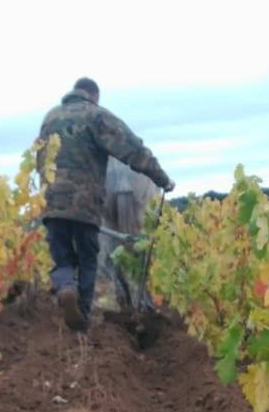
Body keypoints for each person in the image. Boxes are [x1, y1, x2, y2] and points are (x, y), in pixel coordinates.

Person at [35, 77, 173, 332]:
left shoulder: (49, 118)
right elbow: (132, 149)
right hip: (85, 205)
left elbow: (39, 159)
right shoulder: (97, 115)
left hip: (53, 203)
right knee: (88, 260)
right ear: (94, 96)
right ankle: (82, 320)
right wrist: (162, 179)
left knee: (62, 260)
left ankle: (66, 287)